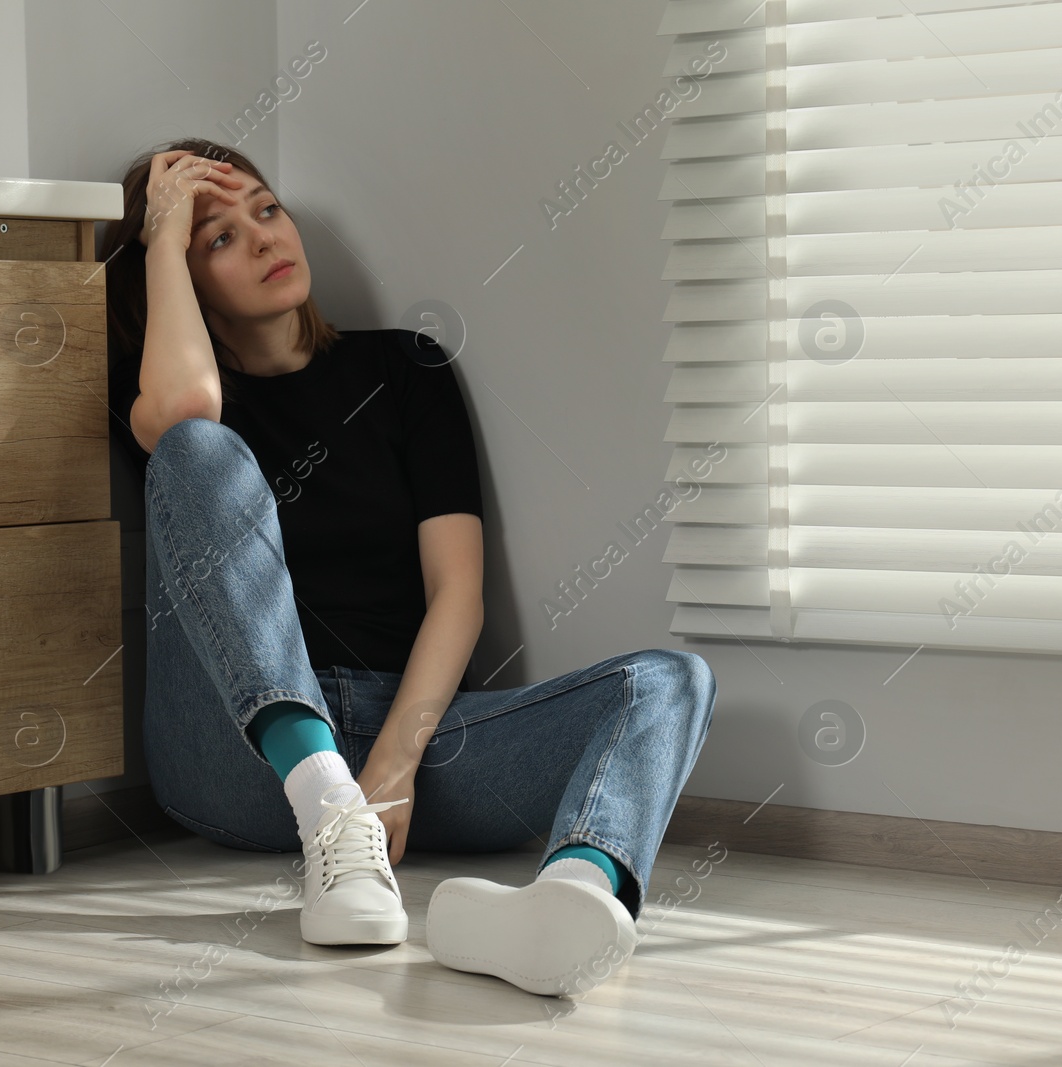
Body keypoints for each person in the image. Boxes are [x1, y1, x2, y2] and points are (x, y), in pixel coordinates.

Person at [97, 138, 718, 998]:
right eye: (219, 239)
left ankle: (568, 901)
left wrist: (391, 769)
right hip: (235, 758)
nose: (269, 239)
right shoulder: (163, 384)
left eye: (268, 211)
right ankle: (323, 804)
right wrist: (160, 236)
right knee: (198, 447)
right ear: (178, 277)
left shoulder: (403, 368)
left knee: (670, 681)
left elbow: (458, 591)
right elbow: (184, 413)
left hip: (410, 734)